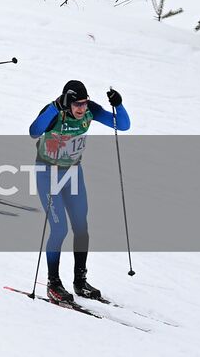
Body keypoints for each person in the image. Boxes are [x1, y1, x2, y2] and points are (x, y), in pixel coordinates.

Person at [28, 80, 130, 305]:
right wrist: (55, 106)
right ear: (68, 102)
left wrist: (119, 105)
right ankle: (53, 284)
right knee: (59, 229)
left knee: (81, 229)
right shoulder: (55, 112)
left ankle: (79, 281)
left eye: (84, 104)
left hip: (73, 173)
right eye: (77, 105)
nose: (82, 109)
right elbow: (34, 132)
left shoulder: (90, 111)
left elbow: (122, 126)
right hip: (47, 173)